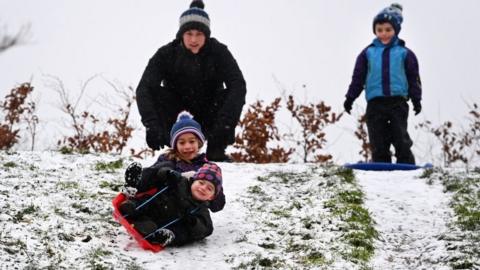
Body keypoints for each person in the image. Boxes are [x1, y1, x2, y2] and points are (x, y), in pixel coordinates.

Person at [136, 0, 247, 162]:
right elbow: (144, 89)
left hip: (210, 113)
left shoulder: (219, 52)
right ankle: (177, 149)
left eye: (199, 34)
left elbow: (238, 85)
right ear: (181, 34)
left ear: (206, 35)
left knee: (232, 91)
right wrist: (151, 125)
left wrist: (225, 125)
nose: (194, 40)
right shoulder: (166, 54)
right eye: (189, 34)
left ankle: (216, 150)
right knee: (152, 90)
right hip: (176, 115)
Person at [343, 3, 422, 164]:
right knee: (377, 138)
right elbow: (358, 78)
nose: (384, 34)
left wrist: (416, 99)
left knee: (399, 135)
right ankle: (380, 164)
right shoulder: (367, 53)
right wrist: (350, 98)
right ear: (375, 31)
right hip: (375, 102)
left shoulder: (404, 54)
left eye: (388, 30)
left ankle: (406, 163)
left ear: (396, 31)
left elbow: (413, 79)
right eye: (379, 30)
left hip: (397, 102)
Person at [124, 110, 225, 212]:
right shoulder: (167, 158)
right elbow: (152, 177)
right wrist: (168, 174)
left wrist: (210, 191)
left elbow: (217, 205)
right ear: (175, 145)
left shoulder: (205, 167)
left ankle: (152, 223)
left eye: (192, 141)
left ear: (199, 143)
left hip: (184, 210)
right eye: (182, 143)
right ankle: (134, 187)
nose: (187, 146)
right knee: (164, 167)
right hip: (161, 199)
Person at [119, 163, 223, 246]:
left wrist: (193, 222)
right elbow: (161, 175)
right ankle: (132, 201)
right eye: (201, 183)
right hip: (156, 207)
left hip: (164, 225)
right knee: (149, 199)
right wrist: (168, 174)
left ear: (211, 197)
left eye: (209, 188)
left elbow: (207, 229)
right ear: (193, 181)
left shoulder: (201, 210)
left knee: (182, 233)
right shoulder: (180, 182)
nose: (203, 188)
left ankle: (157, 236)